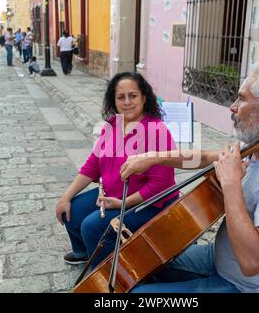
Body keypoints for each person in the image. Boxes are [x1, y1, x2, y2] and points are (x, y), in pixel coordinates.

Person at [121, 61, 259, 293]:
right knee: (142, 259)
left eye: (242, 99)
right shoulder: (254, 146)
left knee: (138, 295)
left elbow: (252, 262)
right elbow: (204, 157)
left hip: (247, 286)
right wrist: (154, 157)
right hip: (220, 258)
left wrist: (232, 184)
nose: (233, 106)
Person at [55, 72, 178, 268]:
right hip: (113, 195)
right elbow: (93, 164)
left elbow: (160, 184)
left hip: (150, 203)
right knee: (71, 211)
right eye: (121, 97)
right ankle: (86, 252)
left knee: (92, 227)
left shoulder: (156, 131)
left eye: (133, 96)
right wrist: (66, 197)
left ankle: (110, 271)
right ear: (114, 100)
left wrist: (122, 203)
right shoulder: (113, 124)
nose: (127, 102)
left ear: (144, 98)